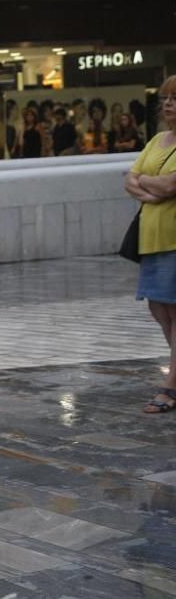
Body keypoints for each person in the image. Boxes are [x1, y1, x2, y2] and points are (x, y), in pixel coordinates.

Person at [124, 77, 176, 414]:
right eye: (165, 98)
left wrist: (148, 183)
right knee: (158, 309)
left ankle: (171, 384)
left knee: (175, 310)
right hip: (151, 238)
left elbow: (171, 185)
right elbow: (130, 180)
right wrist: (149, 185)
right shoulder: (158, 140)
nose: (168, 103)